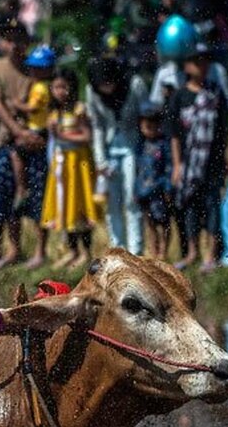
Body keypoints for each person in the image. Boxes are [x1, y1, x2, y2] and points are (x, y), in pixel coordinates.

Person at [0, 20, 43, 269]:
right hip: (7, 142)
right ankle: (13, 248)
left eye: (20, 39)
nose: (15, 45)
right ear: (3, 42)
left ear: (27, 42)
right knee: (5, 196)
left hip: (37, 141)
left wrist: (31, 134)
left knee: (38, 196)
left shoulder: (36, 68)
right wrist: (19, 132)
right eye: (10, 39)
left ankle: (40, 251)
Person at [168, 44, 228, 271]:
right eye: (196, 61)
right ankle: (192, 253)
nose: (201, 66)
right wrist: (176, 165)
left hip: (212, 162)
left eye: (204, 61)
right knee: (190, 206)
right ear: (186, 66)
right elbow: (174, 134)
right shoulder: (179, 96)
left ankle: (210, 255)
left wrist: (224, 159)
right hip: (188, 164)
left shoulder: (216, 92)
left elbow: (224, 130)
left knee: (212, 205)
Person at [87, 56, 149, 256]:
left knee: (132, 198)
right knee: (112, 203)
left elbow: (146, 116)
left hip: (133, 147)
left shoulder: (135, 84)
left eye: (109, 82)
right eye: (101, 84)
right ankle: (118, 248)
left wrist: (145, 155)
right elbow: (96, 125)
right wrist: (100, 159)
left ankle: (136, 251)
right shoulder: (92, 91)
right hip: (109, 150)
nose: (106, 88)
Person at [39, 68, 97, 270]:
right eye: (56, 87)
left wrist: (63, 136)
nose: (60, 91)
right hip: (61, 165)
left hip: (78, 163)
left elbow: (87, 137)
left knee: (80, 207)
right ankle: (72, 252)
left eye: (63, 87)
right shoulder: (55, 113)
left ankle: (86, 252)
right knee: (65, 208)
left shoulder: (79, 110)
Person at [8, 45, 53, 219]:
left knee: (16, 152)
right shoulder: (40, 85)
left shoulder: (40, 88)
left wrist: (17, 104)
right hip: (38, 128)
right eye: (33, 67)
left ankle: (22, 187)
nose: (34, 71)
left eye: (38, 68)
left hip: (38, 129)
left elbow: (33, 108)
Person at [135, 101, 173, 260]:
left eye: (154, 126)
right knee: (149, 223)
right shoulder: (140, 145)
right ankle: (153, 250)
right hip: (144, 192)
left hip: (159, 191)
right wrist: (135, 190)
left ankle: (163, 251)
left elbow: (169, 168)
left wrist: (168, 188)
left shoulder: (164, 145)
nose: (150, 130)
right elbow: (137, 170)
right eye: (146, 127)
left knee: (163, 222)